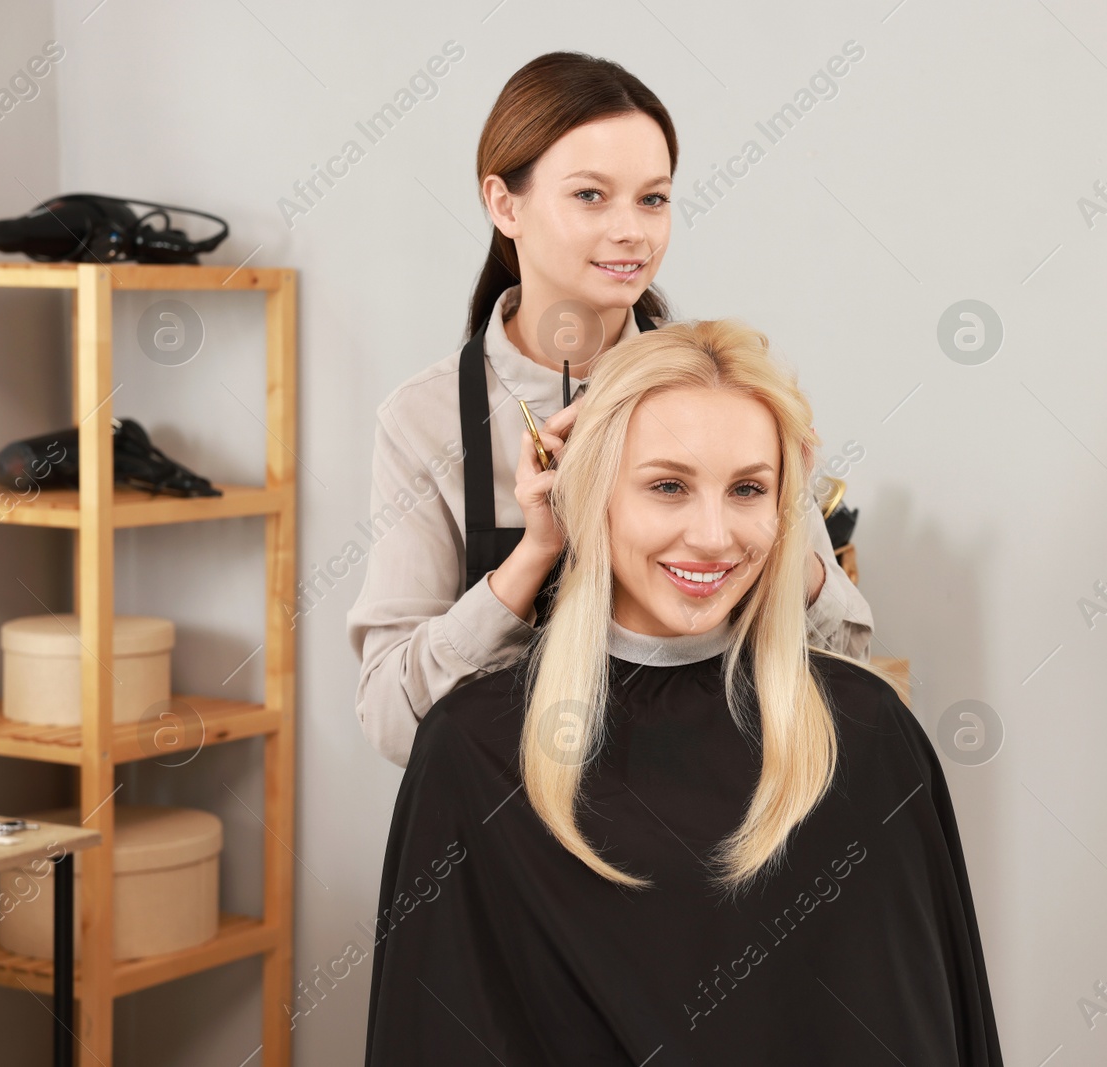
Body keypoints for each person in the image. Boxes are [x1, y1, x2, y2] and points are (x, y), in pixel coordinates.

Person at [362, 320, 1002, 1065]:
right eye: (668, 486)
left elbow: (924, 1030)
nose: (712, 534)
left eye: (748, 490)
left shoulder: (866, 737)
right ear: (589, 494)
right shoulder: (475, 753)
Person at [345, 52, 874, 769]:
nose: (633, 231)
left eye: (653, 199)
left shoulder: (729, 391)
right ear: (505, 204)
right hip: (517, 845)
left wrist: (775, 522)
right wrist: (535, 554)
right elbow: (392, 720)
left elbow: (848, 664)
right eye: (592, 196)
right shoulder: (426, 421)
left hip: (712, 816)